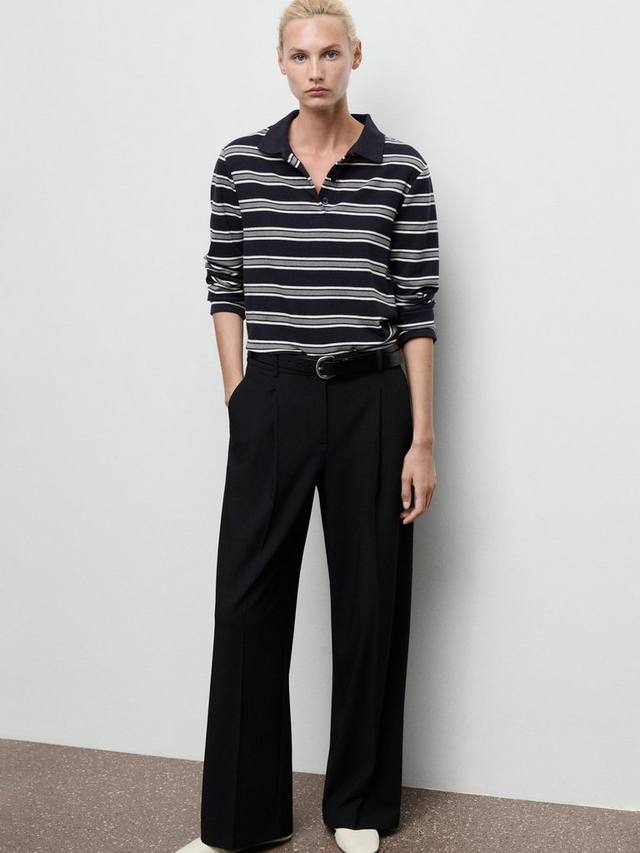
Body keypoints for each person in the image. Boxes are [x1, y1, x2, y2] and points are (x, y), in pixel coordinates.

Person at [196, 2, 439, 852]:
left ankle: (359, 806)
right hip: (274, 395)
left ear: (355, 58)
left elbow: (416, 310)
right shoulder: (240, 163)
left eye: (330, 53)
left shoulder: (401, 167)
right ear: (281, 63)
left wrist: (422, 438)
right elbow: (224, 284)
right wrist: (240, 394)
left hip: (372, 400)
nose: (315, 70)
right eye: (300, 56)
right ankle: (239, 820)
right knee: (247, 603)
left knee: (371, 604)